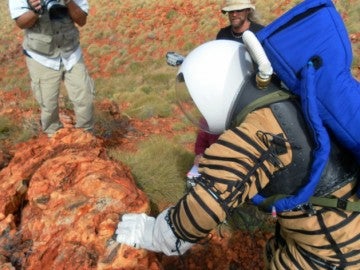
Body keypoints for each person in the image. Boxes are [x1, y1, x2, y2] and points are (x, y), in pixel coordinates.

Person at [115, 36, 360, 269]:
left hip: (335, 249)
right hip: (329, 224)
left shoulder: (261, 128)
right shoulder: (280, 97)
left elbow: (210, 199)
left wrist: (155, 233)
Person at [188, 0, 264, 179]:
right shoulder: (223, 34)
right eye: (231, 11)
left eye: (238, 11)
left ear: (247, 11)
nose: (234, 15)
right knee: (214, 127)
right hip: (226, 93)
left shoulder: (259, 32)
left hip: (252, 94)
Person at [9, 0, 95, 137]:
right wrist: (36, 9)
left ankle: (86, 138)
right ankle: (55, 140)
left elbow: (82, 20)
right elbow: (21, 23)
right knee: (48, 105)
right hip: (41, 57)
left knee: (85, 97)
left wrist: (69, 2)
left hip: (71, 52)